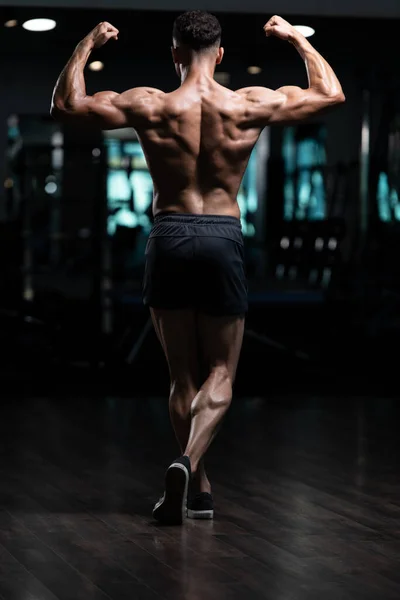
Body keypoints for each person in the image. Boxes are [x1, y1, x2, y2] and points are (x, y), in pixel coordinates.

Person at [51, 11, 345, 525]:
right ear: (222, 54)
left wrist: (87, 43)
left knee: (181, 376)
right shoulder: (248, 103)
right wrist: (295, 38)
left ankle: (196, 483)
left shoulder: (151, 103)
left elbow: (66, 104)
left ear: (174, 54)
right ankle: (191, 469)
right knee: (222, 371)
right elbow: (330, 93)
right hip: (221, 236)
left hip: (168, 235)